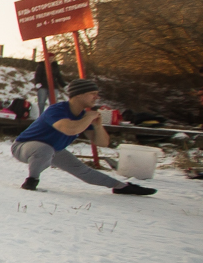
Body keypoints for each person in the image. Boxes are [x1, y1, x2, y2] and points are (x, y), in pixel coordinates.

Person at [11, 79, 155, 195]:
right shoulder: (57, 109)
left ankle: (121, 187)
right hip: (24, 147)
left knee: (82, 170)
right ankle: (32, 180)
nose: (96, 97)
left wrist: (98, 126)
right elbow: (68, 129)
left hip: (53, 150)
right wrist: (88, 118)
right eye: (93, 93)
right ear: (79, 95)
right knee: (44, 149)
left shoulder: (83, 116)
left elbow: (102, 143)